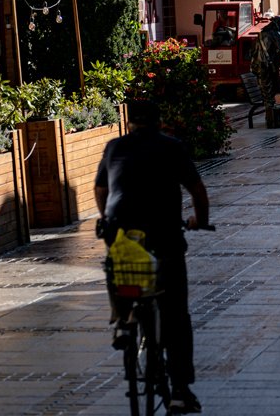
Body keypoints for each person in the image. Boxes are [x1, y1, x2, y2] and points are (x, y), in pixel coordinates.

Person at [94, 99, 209, 415]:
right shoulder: (172, 147)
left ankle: (122, 317)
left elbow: (101, 190)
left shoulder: (114, 147)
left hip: (122, 236)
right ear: (159, 122)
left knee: (118, 267)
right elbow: (198, 191)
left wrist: (105, 217)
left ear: (130, 123)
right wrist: (201, 219)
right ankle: (180, 390)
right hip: (165, 238)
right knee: (176, 315)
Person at [251, 15, 280, 105]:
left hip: (259, 65)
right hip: (269, 66)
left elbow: (254, 51)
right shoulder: (276, 34)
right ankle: (271, 114)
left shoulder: (262, 33)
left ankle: (269, 111)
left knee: (265, 90)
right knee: (272, 90)